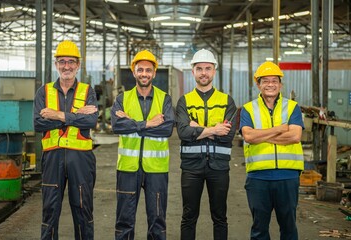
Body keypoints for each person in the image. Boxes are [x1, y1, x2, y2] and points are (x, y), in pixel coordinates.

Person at [33, 40, 98, 240]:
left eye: (71, 62)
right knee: (50, 210)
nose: (66, 66)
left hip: (81, 160)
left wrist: (58, 115)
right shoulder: (43, 92)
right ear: (56, 65)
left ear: (78, 65)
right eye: (62, 61)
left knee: (82, 210)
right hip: (52, 158)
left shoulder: (88, 91)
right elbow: (38, 124)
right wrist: (75, 116)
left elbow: (91, 120)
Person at [111, 50, 174, 240]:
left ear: (154, 73)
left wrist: (131, 123)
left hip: (156, 169)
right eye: (140, 70)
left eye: (148, 70)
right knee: (124, 220)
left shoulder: (165, 99)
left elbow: (167, 129)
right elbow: (116, 126)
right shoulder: (122, 99)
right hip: (128, 168)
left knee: (157, 220)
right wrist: (148, 123)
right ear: (134, 72)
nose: (144, 74)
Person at [176, 49, 237, 240]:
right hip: (191, 167)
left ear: (214, 71)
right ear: (193, 71)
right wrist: (213, 130)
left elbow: (227, 136)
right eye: (199, 68)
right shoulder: (184, 101)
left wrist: (198, 129)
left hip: (219, 167)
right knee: (188, 216)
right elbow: (183, 133)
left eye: (208, 68)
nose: (204, 72)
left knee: (220, 217)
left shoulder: (227, 101)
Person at [239, 61, 304, 240]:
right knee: (259, 229)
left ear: (280, 84)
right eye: (265, 81)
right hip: (258, 178)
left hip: (288, 176)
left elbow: (295, 136)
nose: (270, 85)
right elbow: (249, 137)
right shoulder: (248, 109)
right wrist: (279, 129)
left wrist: (261, 135)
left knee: (289, 227)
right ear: (258, 84)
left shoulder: (292, 107)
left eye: (274, 80)